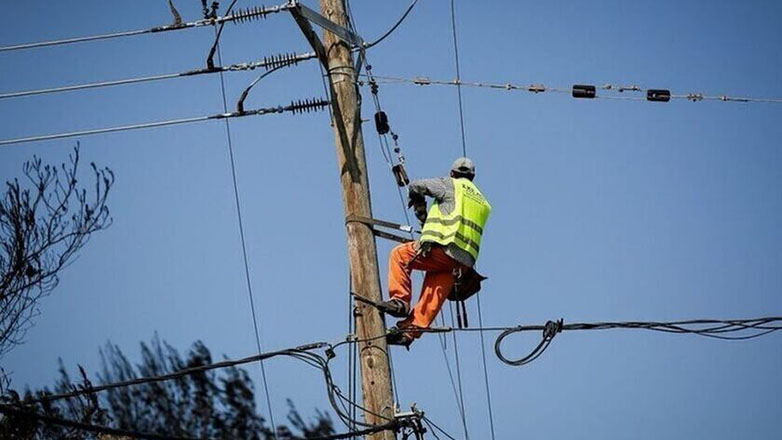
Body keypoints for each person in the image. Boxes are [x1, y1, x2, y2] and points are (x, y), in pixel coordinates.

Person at [381, 157, 492, 347]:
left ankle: (399, 302)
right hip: (463, 262)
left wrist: (419, 207)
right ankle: (408, 333)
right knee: (434, 292)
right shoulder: (483, 202)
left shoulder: (451, 185)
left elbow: (417, 186)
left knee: (400, 255)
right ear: (472, 177)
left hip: (445, 249)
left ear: (453, 174)